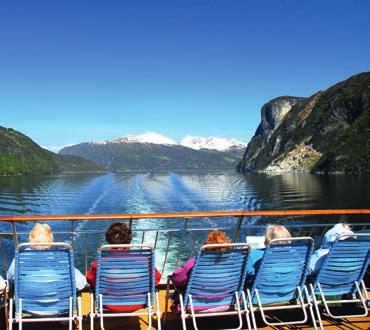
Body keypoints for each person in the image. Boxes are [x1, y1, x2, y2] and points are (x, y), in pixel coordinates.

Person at [86, 222, 162, 312]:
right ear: (129, 239)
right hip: (138, 303)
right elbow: (156, 278)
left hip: (108, 303)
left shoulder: (99, 263)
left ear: (108, 240)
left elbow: (90, 279)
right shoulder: (144, 262)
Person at [7, 223, 87, 291]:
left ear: (30, 238)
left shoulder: (21, 257)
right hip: (59, 306)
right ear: (51, 239)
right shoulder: (61, 257)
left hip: (26, 306)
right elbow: (81, 282)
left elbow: (10, 277)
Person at [170, 230, 230, 309]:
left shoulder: (194, 262)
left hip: (195, 305)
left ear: (207, 245)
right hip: (226, 303)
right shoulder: (232, 264)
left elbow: (177, 278)